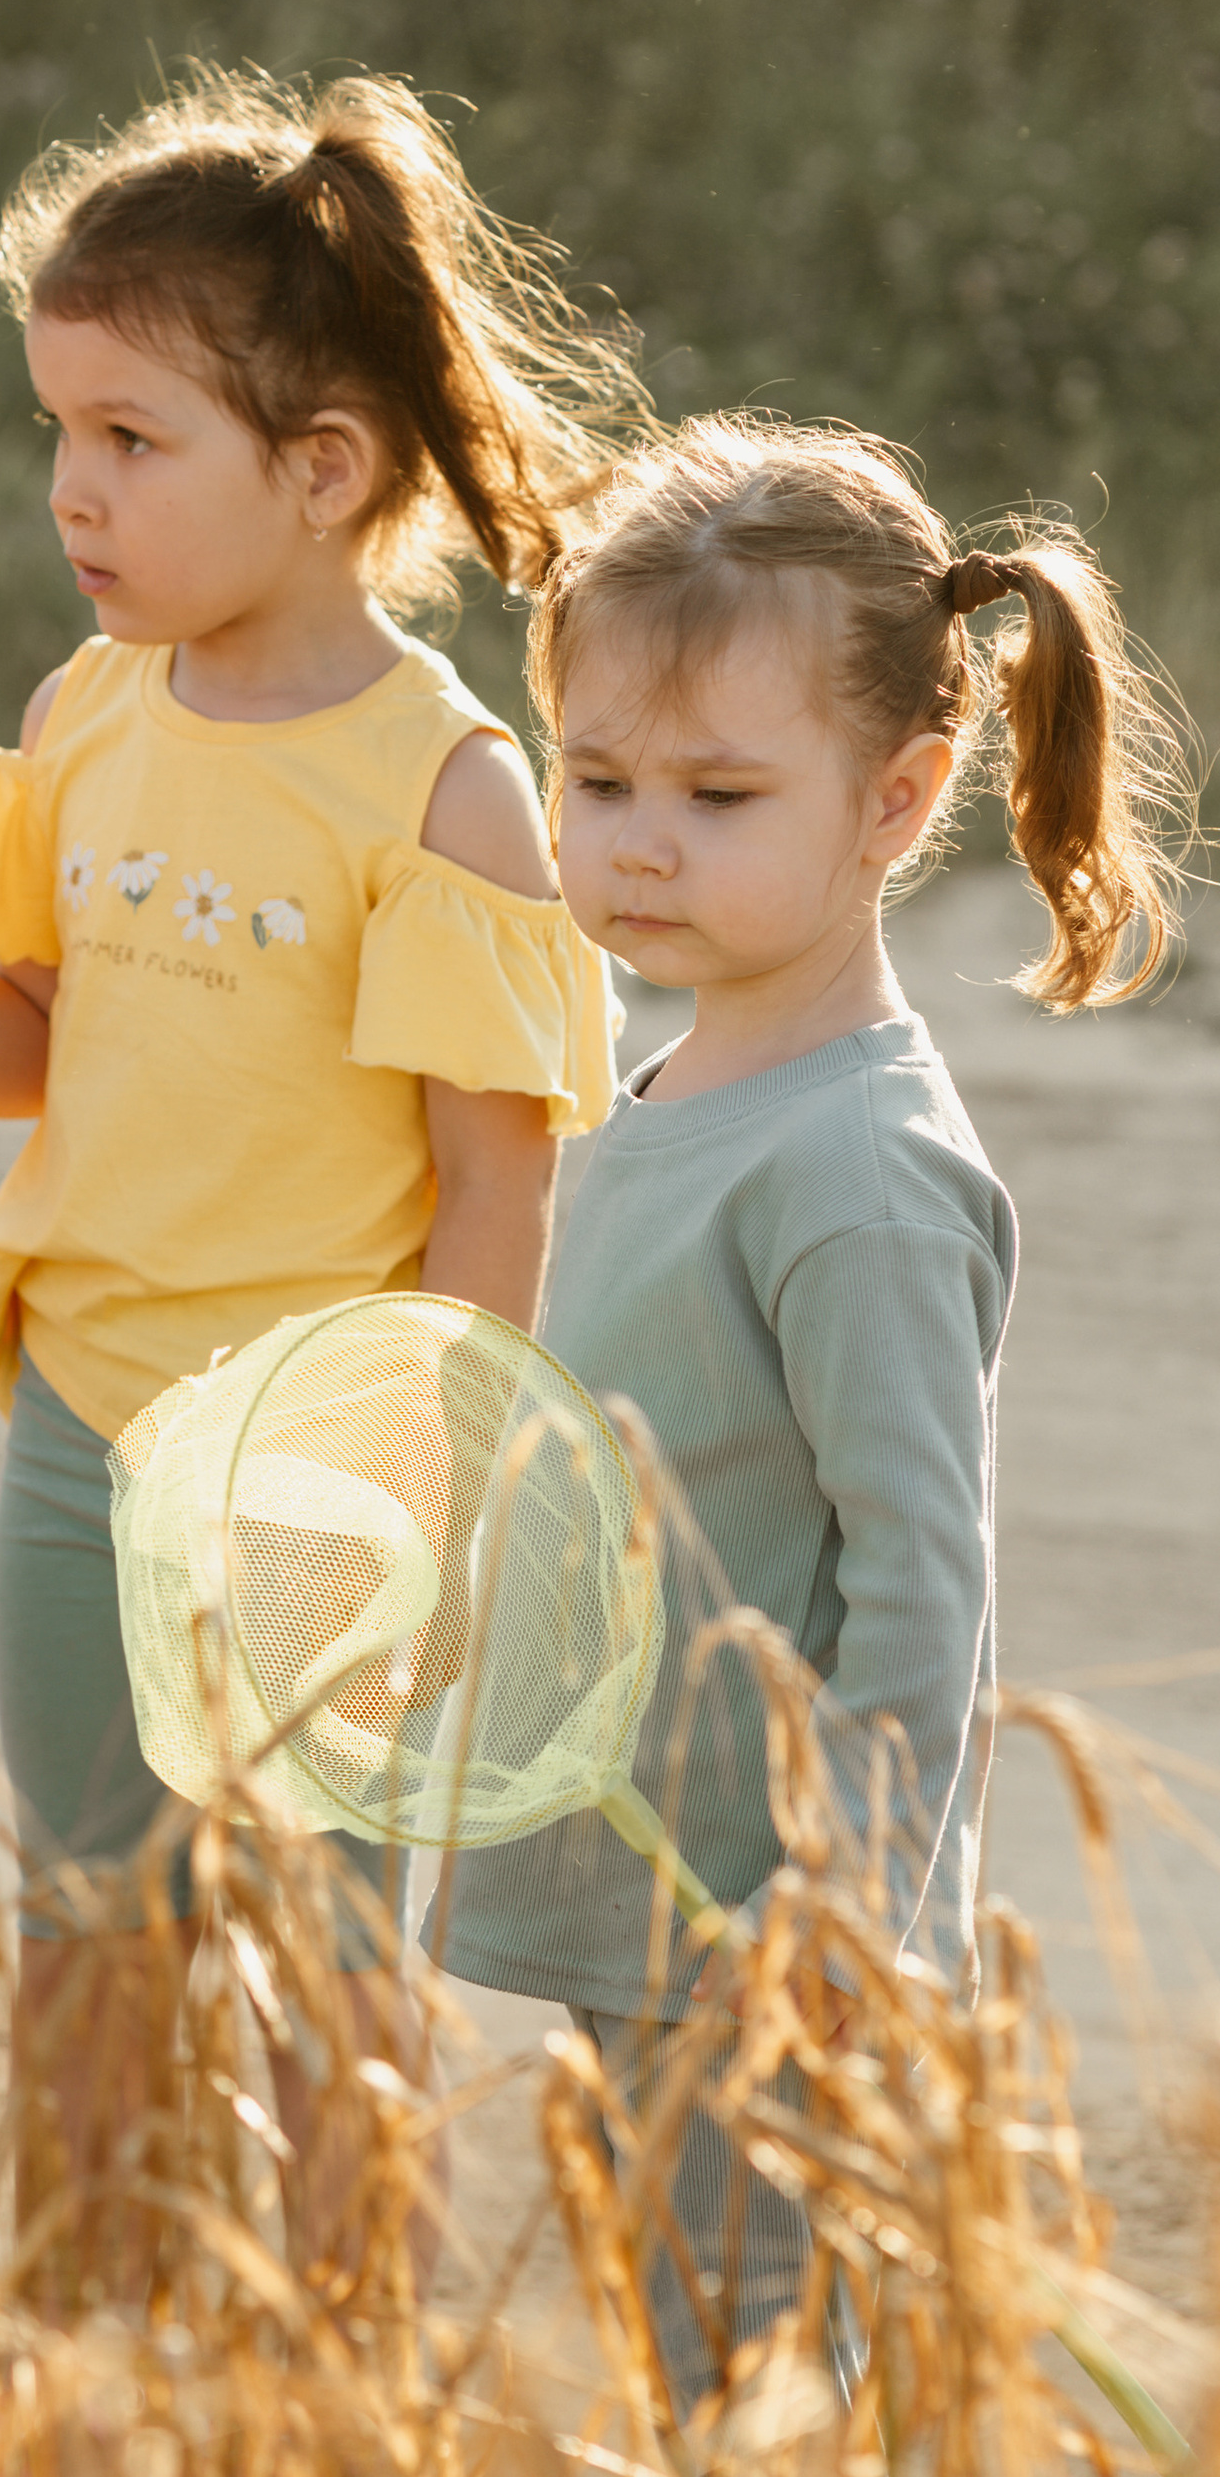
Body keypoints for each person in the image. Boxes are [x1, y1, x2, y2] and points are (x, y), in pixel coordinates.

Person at [0, 69, 639, 2286]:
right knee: (85, 1927)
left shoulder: (438, 793)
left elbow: (490, 1185)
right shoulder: (90, 713)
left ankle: (341, 2353)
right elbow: (36, 1031)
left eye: (130, 440)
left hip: (316, 1480)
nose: (70, 489)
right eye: (55, 430)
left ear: (321, 469)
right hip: (76, 1438)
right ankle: (93, 2327)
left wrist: (434, 1483)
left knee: (329, 1962)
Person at [432, 414, 1185, 2406]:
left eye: (713, 790)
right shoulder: (678, 1082)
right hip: (638, 1880)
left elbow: (921, 1596)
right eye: (593, 781)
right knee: (678, 2357)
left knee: (769, 2376)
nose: (635, 839)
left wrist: (825, 1923)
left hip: (767, 1941)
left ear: (893, 793)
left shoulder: (853, 1170)